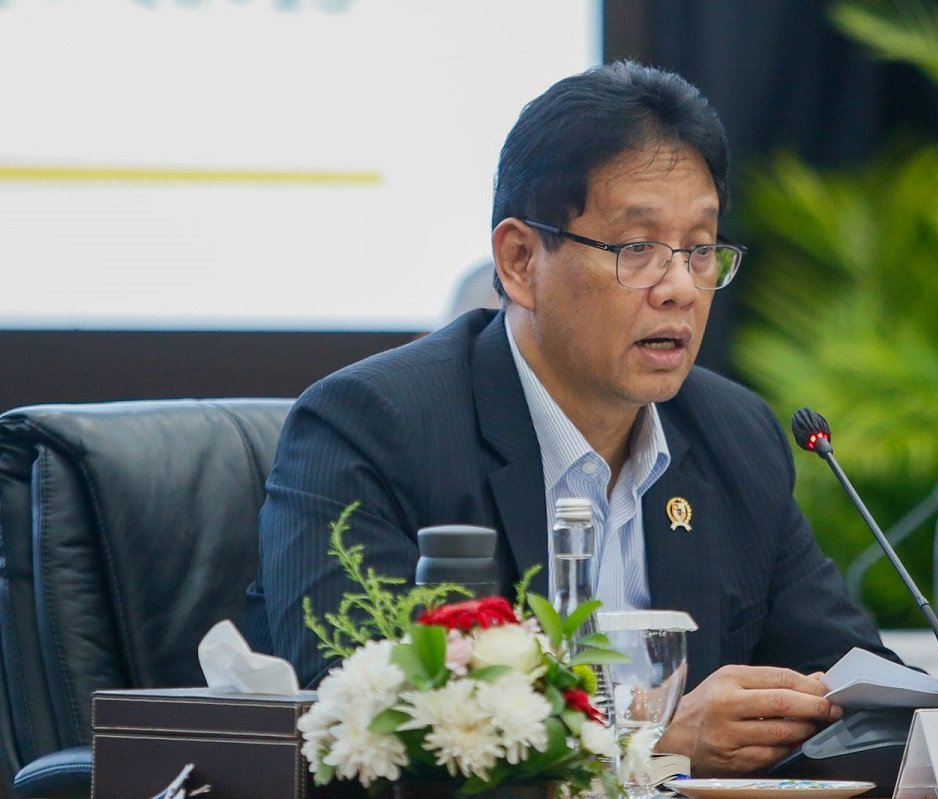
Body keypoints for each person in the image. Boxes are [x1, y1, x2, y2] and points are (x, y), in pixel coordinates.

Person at [244, 61, 899, 776]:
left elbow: (862, 693)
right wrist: (652, 739)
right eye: (637, 249)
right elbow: (364, 730)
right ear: (520, 260)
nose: (681, 287)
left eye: (701, 248)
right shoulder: (373, 430)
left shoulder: (733, 435)